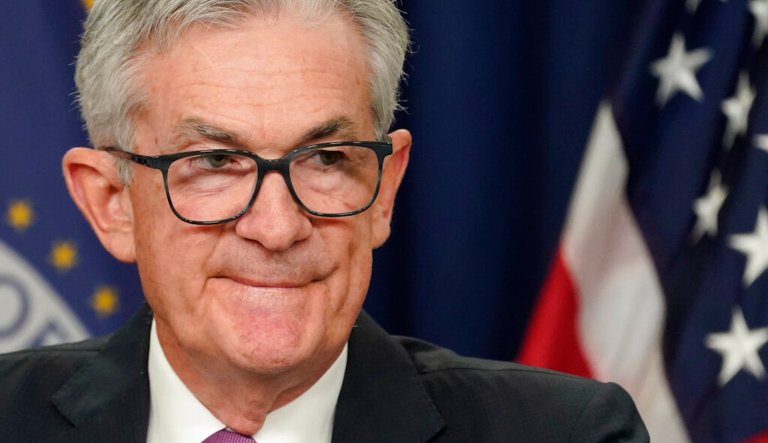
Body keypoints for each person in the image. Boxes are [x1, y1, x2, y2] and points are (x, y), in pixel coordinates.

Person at [0, 1, 649, 441]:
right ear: (111, 201)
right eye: (216, 160)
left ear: (384, 188)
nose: (277, 227)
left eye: (326, 157)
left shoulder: (565, 433)